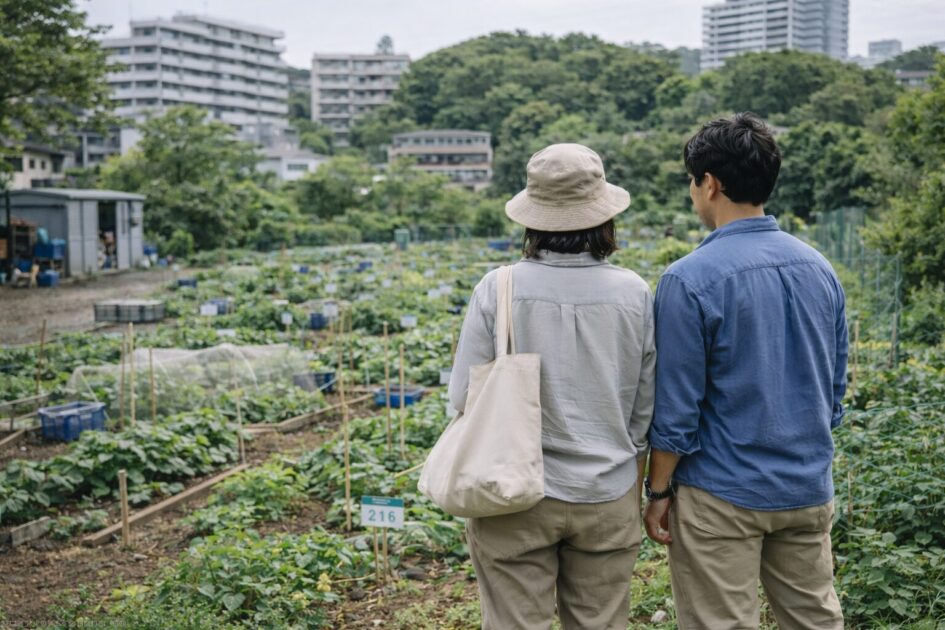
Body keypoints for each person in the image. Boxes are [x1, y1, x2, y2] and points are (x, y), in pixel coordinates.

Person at [643, 112, 847, 629]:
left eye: (693, 182)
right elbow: (834, 387)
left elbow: (677, 408)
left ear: (709, 184)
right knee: (815, 620)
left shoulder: (687, 280)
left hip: (721, 493)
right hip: (805, 487)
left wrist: (659, 490)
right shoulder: (819, 268)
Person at [449, 143, 655, 629]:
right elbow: (646, 411)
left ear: (532, 219)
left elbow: (461, 399)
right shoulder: (634, 293)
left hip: (514, 494)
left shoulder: (497, 287)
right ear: (604, 219)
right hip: (607, 494)